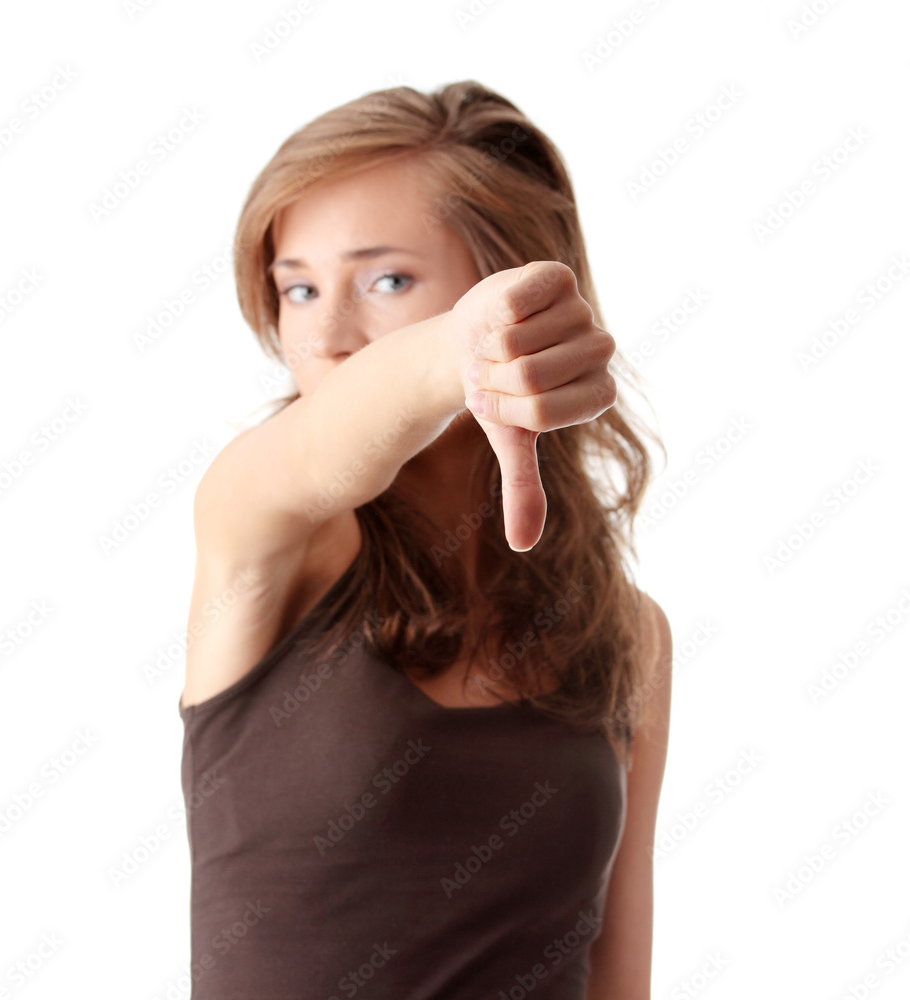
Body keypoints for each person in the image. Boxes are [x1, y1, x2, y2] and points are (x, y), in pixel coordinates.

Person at [178, 79, 672, 999]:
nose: (327, 336)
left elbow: (618, 971)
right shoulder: (265, 530)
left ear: (520, 280)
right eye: (298, 288)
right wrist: (457, 349)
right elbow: (320, 453)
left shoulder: (627, 633)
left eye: (388, 280)